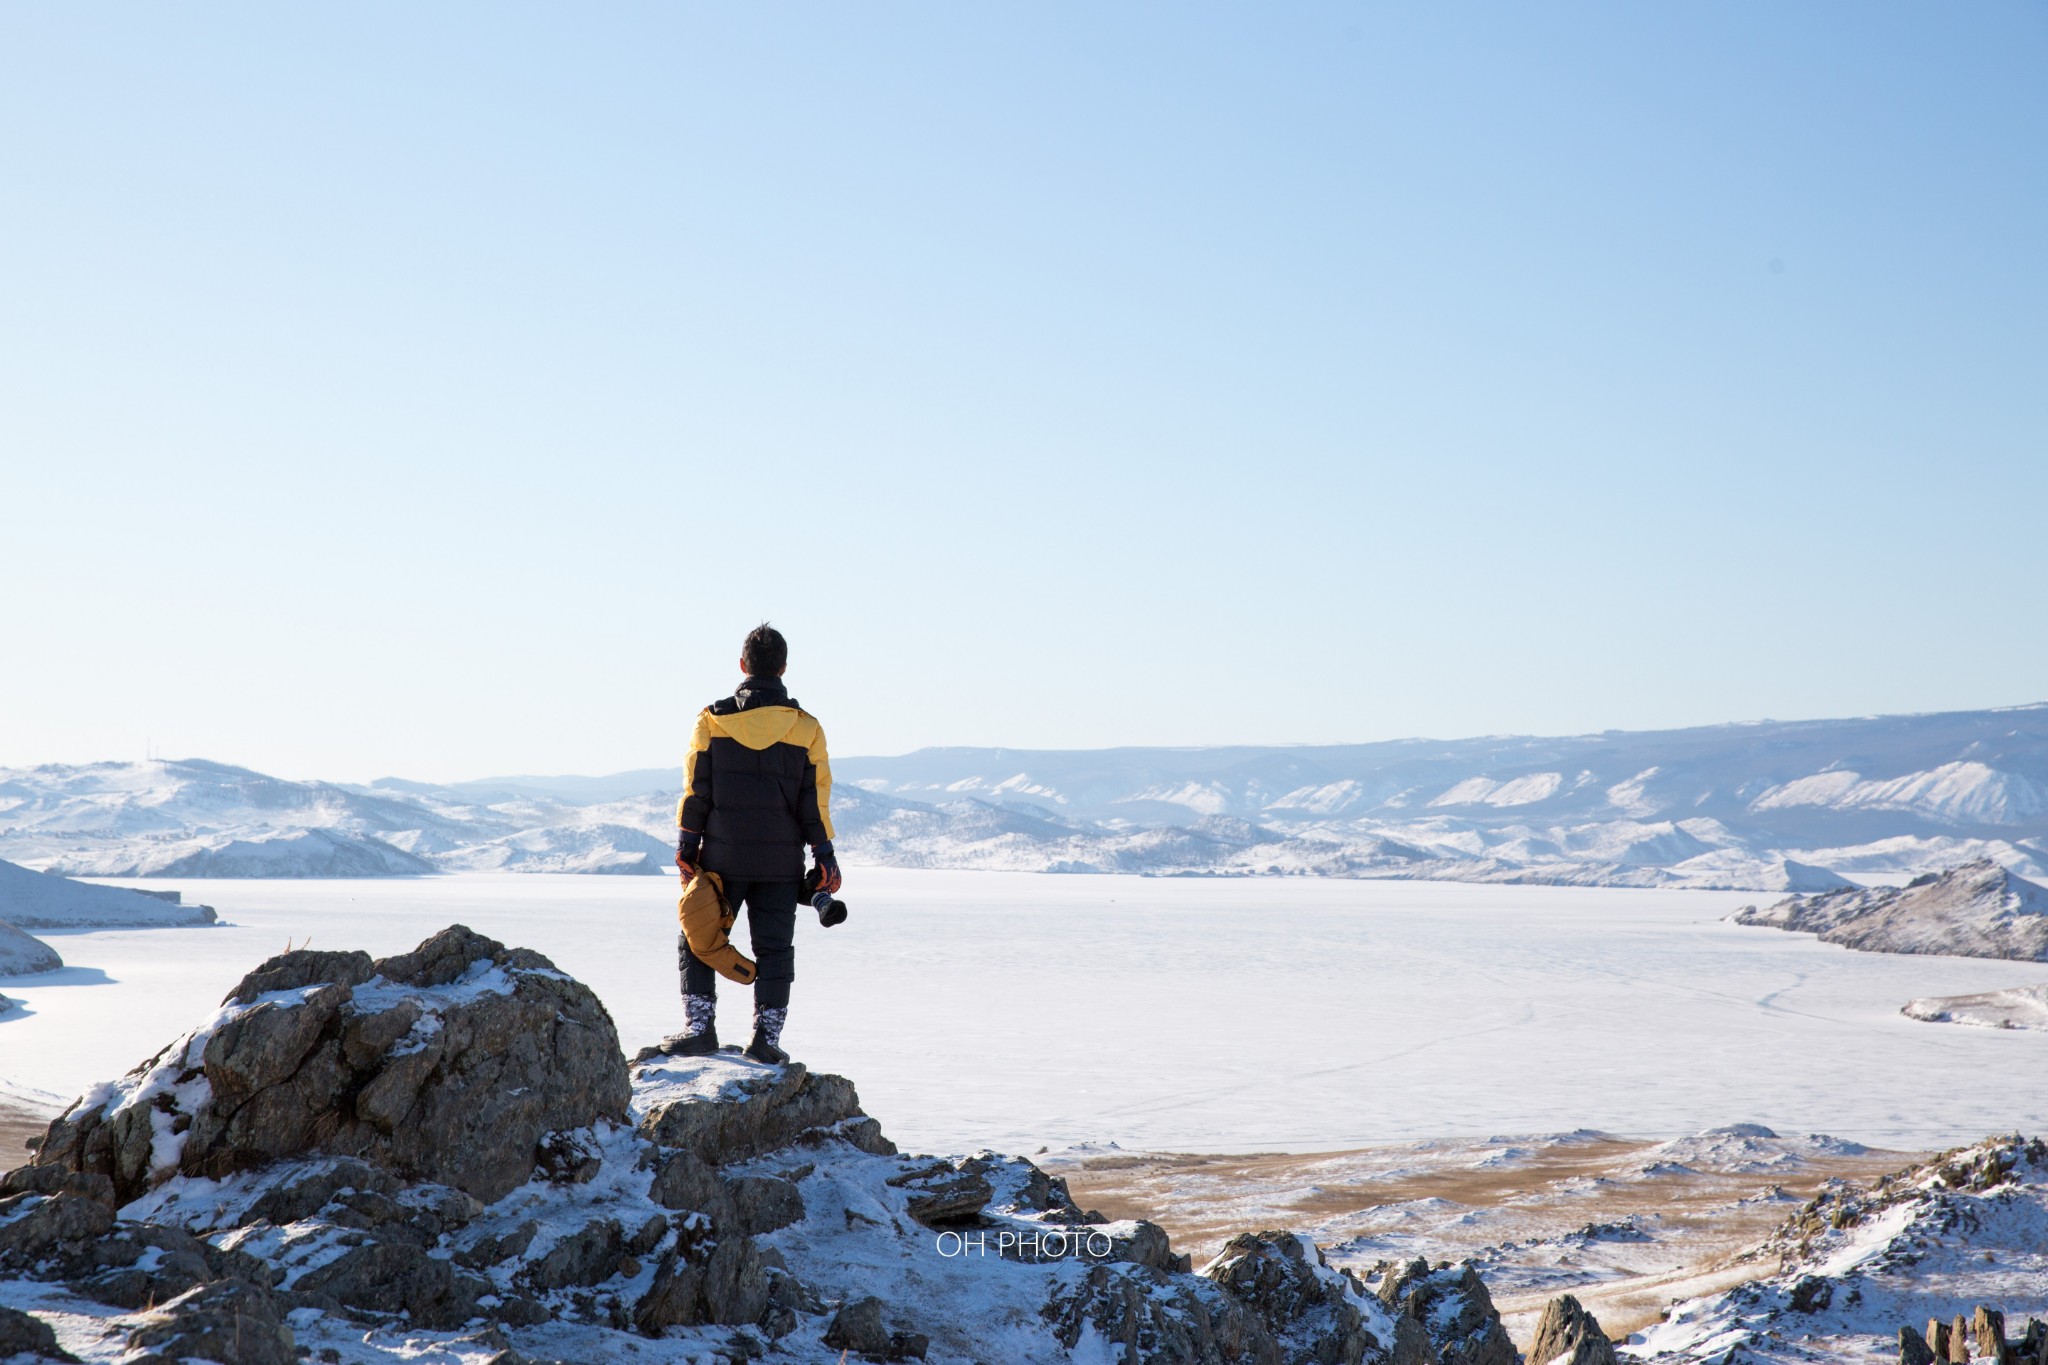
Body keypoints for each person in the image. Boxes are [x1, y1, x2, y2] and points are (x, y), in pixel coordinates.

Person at [655, 623, 840, 1064]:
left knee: (698, 937)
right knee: (775, 948)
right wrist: (825, 855)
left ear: (743, 665)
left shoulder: (712, 720)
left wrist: (686, 847)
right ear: (783, 668)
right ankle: (766, 1041)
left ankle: (699, 1029)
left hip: (721, 860)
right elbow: (815, 802)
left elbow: (696, 791)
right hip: (782, 864)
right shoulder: (807, 729)